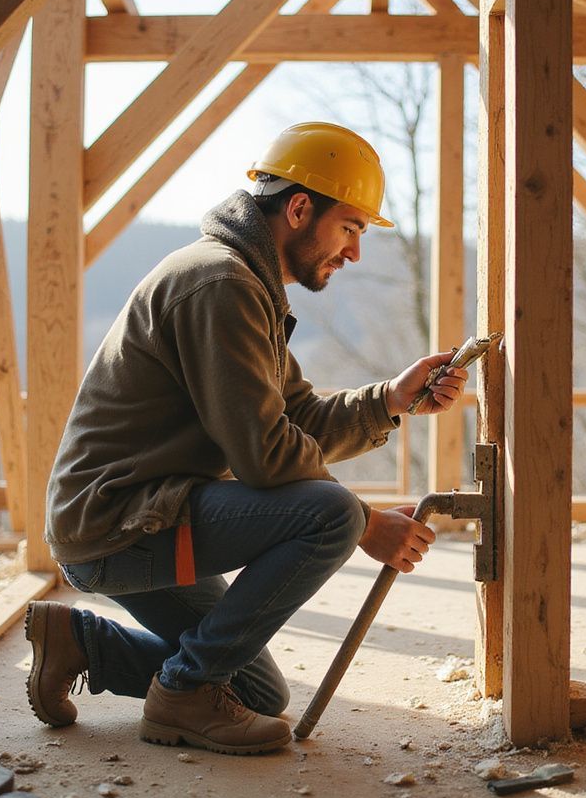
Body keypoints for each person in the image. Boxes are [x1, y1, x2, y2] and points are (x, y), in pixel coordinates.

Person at [25, 122, 468, 755]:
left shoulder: (245, 284)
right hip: (121, 522)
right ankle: (180, 697)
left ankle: (80, 644)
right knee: (329, 516)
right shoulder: (222, 284)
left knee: (256, 695)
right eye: (351, 228)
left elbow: (298, 415)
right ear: (298, 209)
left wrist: (390, 399)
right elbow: (264, 457)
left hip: (154, 514)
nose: (354, 252)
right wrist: (365, 522)